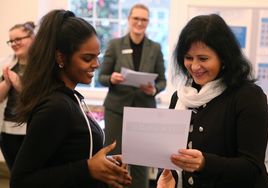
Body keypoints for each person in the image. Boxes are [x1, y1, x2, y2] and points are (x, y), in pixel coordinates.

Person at [10, 9, 132, 188]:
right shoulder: (55, 106)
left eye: (97, 57)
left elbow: (68, 156)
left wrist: (103, 165)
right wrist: (88, 168)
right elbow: (21, 181)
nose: (96, 64)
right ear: (61, 57)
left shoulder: (70, 98)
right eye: (87, 58)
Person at [157, 14, 268, 188]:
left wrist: (205, 163)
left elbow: (252, 167)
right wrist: (167, 177)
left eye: (203, 59)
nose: (195, 66)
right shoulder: (180, 97)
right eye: (189, 58)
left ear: (224, 57)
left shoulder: (248, 97)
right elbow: (170, 155)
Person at [98, 3, 166, 188]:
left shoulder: (155, 48)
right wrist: (111, 78)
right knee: (114, 158)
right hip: (117, 109)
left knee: (140, 161)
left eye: (144, 19)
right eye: (136, 18)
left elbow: (162, 81)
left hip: (143, 110)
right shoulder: (115, 45)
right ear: (128, 20)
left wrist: (154, 89)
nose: (139, 22)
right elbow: (101, 76)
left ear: (148, 22)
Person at [0, 21, 35, 171]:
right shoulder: (7, 63)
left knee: (30, 174)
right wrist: (7, 83)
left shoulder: (41, 65)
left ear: (32, 38)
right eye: (11, 41)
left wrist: (19, 84)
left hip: (31, 129)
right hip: (7, 130)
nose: (14, 44)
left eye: (18, 39)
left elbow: (39, 98)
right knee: (14, 174)